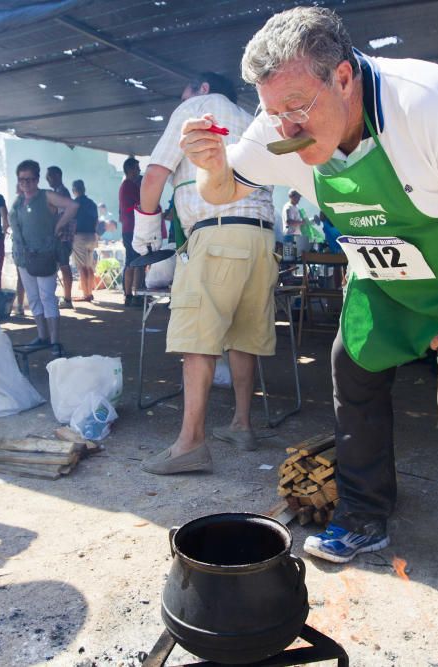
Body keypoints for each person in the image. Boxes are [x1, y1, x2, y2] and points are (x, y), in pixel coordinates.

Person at [180, 7, 438, 629]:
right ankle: (364, 515)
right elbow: (221, 190)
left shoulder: (433, 104)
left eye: (299, 105)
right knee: (352, 369)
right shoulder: (283, 127)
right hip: (386, 285)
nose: (286, 126)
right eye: (274, 111)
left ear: (345, 77)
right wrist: (211, 164)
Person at [136, 72, 277, 476]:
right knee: (244, 335)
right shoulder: (252, 119)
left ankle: (191, 443)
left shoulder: (194, 108)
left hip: (216, 233)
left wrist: (144, 231)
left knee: (198, 337)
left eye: (183, 89)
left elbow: (155, 174)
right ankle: (241, 425)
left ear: (201, 88)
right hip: (262, 238)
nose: (177, 98)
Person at [9, 160, 78, 348]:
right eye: (22, 179)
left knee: (47, 296)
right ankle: (42, 336)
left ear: (37, 179)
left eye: (30, 179)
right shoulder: (19, 200)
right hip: (23, 256)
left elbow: (72, 206)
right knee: (33, 297)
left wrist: (59, 224)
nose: (26, 183)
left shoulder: (46, 196)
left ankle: (54, 340)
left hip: (44, 254)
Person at [46, 165, 74, 308]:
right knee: (62, 267)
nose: (47, 178)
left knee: (64, 266)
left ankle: (68, 299)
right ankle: (66, 298)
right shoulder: (60, 192)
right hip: (62, 236)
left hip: (62, 237)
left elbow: (61, 216)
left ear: (57, 176)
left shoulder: (61, 193)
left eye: (49, 175)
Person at [119, 157, 143, 306]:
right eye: (137, 168)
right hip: (132, 228)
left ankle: (133, 294)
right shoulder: (129, 186)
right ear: (130, 169)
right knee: (133, 261)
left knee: (134, 261)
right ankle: (130, 295)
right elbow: (137, 205)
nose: (139, 171)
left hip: (131, 228)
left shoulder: (128, 185)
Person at [70, 179, 99, 302]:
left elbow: (73, 222)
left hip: (79, 237)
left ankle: (86, 294)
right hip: (92, 236)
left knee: (82, 267)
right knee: (89, 266)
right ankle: (90, 292)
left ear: (74, 190)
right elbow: (96, 221)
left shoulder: (74, 203)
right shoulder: (92, 203)